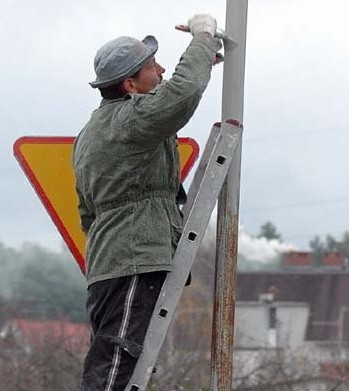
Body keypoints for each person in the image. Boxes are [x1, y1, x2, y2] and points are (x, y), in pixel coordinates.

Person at [72, 14, 222, 390]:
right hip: (136, 257)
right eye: (152, 67)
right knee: (116, 371)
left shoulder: (93, 131)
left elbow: (87, 214)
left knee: (113, 363)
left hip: (113, 263)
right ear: (130, 84)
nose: (162, 69)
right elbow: (180, 95)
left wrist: (202, 62)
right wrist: (202, 38)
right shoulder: (132, 121)